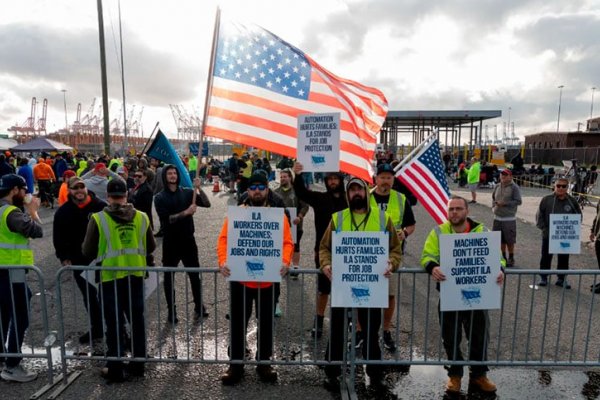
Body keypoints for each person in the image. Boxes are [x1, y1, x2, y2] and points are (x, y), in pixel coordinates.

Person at [319, 177, 402, 390]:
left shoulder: (384, 219)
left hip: (371, 287)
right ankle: (332, 372)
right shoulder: (338, 218)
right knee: (337, 330)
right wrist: (326, 264)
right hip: (342, 286)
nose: (356, 193)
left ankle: (375, 374)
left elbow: (395, 249)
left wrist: (391, 263)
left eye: (359, 189)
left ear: (366, 191)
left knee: (370, 332)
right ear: (348, 195)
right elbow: (324, 247)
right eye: (352, 190)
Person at [421, 196, 504, 394]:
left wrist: (500, 269)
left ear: (467, 211)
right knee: (451, 337)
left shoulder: (482, 231)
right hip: (450, 294)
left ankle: (479, 375)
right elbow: (427, 255)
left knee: (479, 336)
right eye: (451, 210)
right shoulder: (439, 232)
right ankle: (455, 375)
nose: (454, 213)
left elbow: (498, 257)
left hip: (478, 295)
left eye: (458, 209)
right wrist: (432, 267)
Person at [217, 173, 294, 385]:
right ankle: (235, 365)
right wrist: (223, 261)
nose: (257, 190)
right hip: (241, 280)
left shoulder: (277, 215)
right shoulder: (237, 214)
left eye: (261, 186)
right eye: (253, 187)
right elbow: (224, 239)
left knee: (266, 323)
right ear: (248, 191)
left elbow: (287, 242)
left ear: (267, 189)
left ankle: (264, 363)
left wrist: (286, 261)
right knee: (238, 323)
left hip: (268, 280)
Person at [82, 179, 155, 382]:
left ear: (108, 197)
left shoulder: (98, 219)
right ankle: (139, 364)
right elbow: (150, 247)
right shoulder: (141, 217)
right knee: (137, 320)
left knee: (113, 323)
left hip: (110, 278)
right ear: (127, 195)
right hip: (136, 276)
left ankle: (115, 368)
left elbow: (87, 251)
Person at [292, 162, 347, 338]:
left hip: (348, 251)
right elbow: (302, 193)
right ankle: (319, 319)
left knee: (346, 287)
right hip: (323, 252)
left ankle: (349, 321)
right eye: (329, 179)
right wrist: (298, 175)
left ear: (341, 180)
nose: (332, 182)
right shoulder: (321, 199)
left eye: (335, 179)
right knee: (323, 289)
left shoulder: (350, 199)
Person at [366, 163, 415, 352]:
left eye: (389, 177)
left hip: (391, 256)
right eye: (382, 177)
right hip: (367, 254)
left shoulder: (401, 199)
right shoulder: (366, 196)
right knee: (364, 294)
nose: (386, 181)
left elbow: (411, 225)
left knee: (389, 295)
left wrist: (405, 233)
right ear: (376, 179)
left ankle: (385, 331)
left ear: (393, 180)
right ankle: (362, 332)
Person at [53, 176, 107, 344]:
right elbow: (58, 237)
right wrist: (63, 257)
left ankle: (120, 332)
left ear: (86, 187)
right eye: (75, 188)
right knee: (89, 297)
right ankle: (97, 329)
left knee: (110, 297)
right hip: (79, 260)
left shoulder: (101, 207)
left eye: (81, 187)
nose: (79, 191)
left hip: (103, 259)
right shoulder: (63, 211)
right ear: (69, 190)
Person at [154, 165, 211, 323]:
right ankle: (171, 311)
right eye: (169, 173)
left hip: (188, 241)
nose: (172, 175)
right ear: (165, 176)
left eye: (174, 173)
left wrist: (198, 189)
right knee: (169, 277)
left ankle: (199, 305)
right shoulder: (159, 198)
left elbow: (207, 204)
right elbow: (167, 220)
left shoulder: (187, 192)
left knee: (194, 275)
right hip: (170, 242)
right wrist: (186, 212)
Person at [0, 174, 42, 382]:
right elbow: (36, 231)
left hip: (4, 272)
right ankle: (12, 365)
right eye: (24, 190)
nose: (26, 194)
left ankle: (3, 357)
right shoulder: (11, 212)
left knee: (4, 316)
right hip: (11, 273)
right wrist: (33, 211)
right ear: (15, 190)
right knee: (20, 316)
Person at [536, 177, 582, 288]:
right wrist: (544, 229)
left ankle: (561, 279)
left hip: (564, 236)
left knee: (564, 258)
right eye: (558, 186)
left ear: (567, 188)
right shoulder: (546, 199)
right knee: (546, 257)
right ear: (554, 186)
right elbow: (539, 216)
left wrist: (573, 229)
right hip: (548, 235)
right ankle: (543, 277)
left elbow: (578, 217)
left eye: (564, 186)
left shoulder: (572, 201)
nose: (561, 188)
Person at [273, 169, 309, 278]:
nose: (283, 178)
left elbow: (305, 206)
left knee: (295, 246)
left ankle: (295, 268)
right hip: (280, 226)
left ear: (290, 177)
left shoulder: (297, 191)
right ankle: (284, 266)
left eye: (285, 176)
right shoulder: (275, 192)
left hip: (295, 225)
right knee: (281, 246)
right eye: (281, 177)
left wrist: (300, 216)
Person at [492, 169, 522, 267]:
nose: (503, 176)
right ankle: (503, 257)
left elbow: (518, 201)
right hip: (497, 217)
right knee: (499, 240)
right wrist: (494, 207)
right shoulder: (497, 186)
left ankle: (511, 257)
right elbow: (493, 198)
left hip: (508, 218)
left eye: (505, 175)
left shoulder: (514, 187)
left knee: (509, 240)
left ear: (510, 176)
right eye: (502, 175)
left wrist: (505, 204)